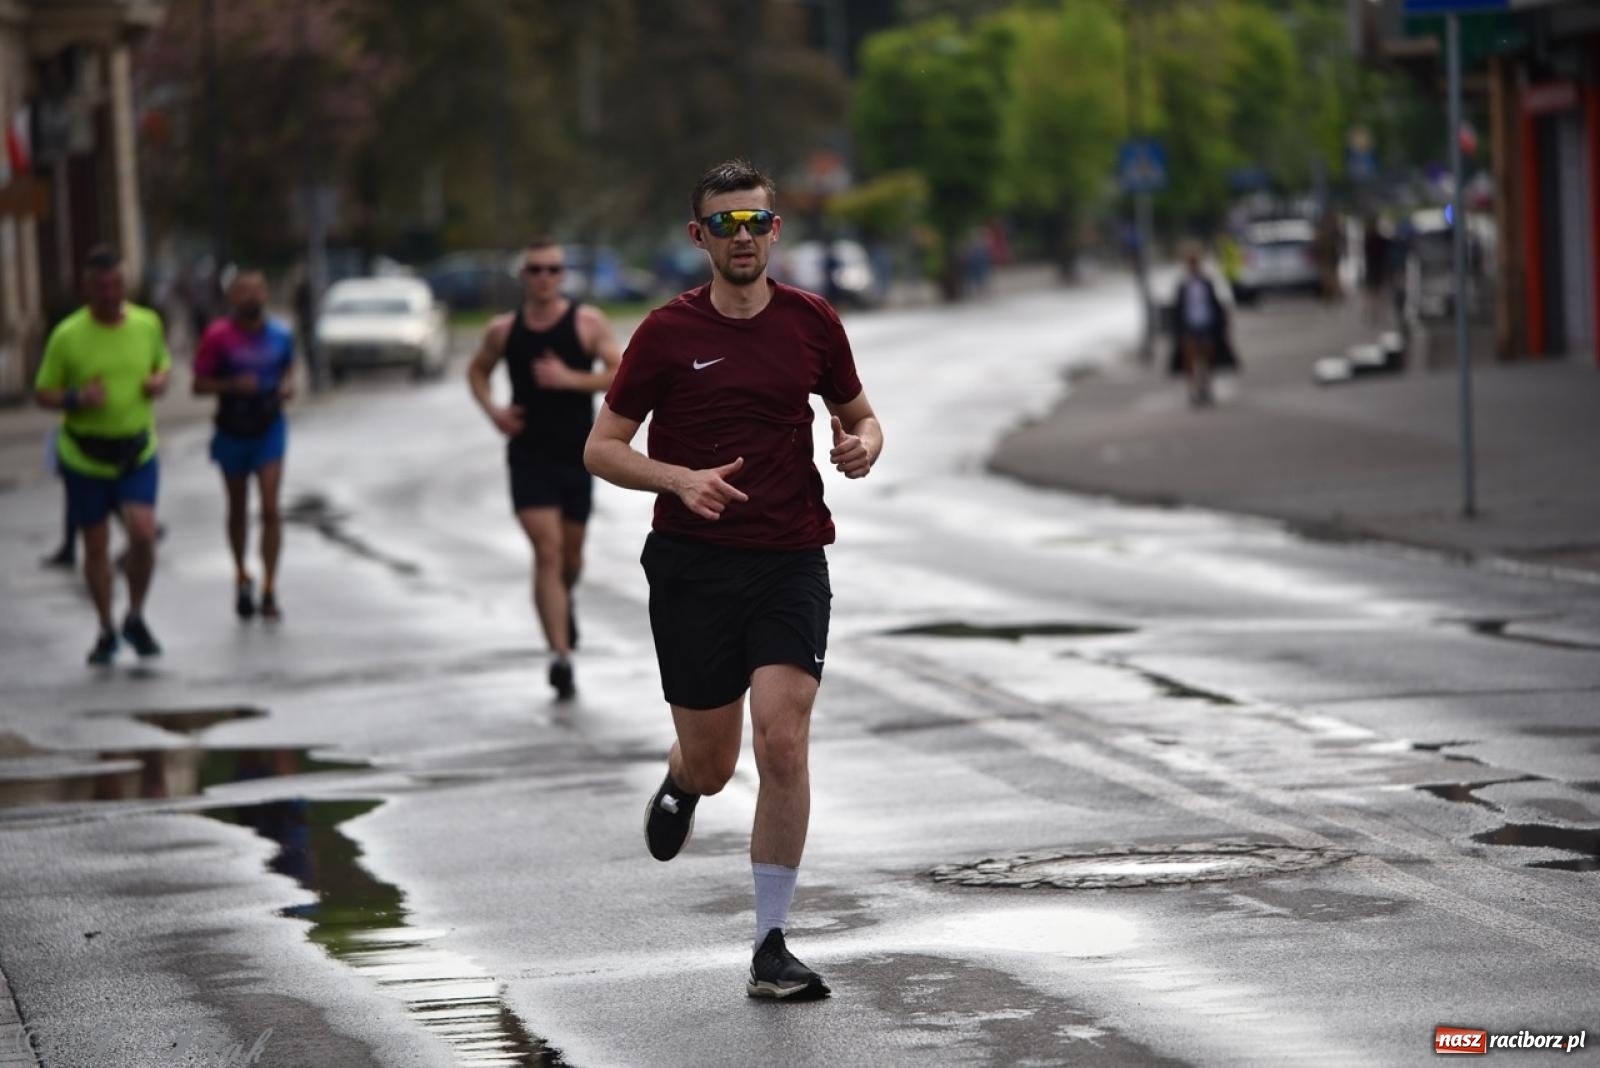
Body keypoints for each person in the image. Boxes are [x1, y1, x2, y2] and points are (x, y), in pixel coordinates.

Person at [584, 159, 883, 1001]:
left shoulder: (813, 322)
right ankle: (683, 780)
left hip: (790, 556)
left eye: (756, 222)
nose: (743, 237)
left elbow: (860, 416)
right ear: (699, 237)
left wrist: (864, 445)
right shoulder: (665, 334)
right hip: (694, 566)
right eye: (726, 225)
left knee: (782, 739)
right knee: (716, 762)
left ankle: (771, 943)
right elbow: (601, 448)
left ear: (775, 232)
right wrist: (678, 478)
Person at [468, 237, 623, 700]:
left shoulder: (587, 322)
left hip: (578, 453)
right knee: (548, 552)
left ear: (562, 274)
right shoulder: (503, 330)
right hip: (528, 455)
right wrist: (494, 410)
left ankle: (563, 603)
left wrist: (572, 379)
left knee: (571, 558)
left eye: (553, 270)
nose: (544, 278)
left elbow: (623, 371)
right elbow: (477, 371)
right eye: (535, 270)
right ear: (523, 276)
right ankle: (560, 655)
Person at [32, 245, 172, 665]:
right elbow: (42, 392)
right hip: (84, 456)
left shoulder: (147, 324)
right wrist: (76, 397)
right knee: (96, 546)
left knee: (144, 534)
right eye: (102, 287)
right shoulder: (67, 335)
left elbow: (161, 364)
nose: (111, 294)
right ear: (87, 289)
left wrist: (159, 382)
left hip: (136, 449)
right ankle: (105, 628)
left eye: (117, 285)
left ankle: (135, 615)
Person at [192, 270, 296, 621]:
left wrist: (286, 387)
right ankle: (241, 574)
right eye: (242, 293)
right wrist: (233, 385)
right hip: (233, 428)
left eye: (256, 291)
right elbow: (198, 385)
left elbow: (289, 370)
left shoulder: (281, 334)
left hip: (269, 426)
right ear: (231, 298)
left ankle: (270, 586)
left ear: (265, 294)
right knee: (237, 507)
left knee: (270, 507)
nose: (250, 299)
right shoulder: (218, 337)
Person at [1167, 244, 1238, 407]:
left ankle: (1206, 387)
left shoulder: (1206, 283)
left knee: (1207, 358)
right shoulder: (1183, 286)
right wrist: (1178, 330)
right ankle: (1193, 389)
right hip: (1190, 327)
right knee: (1190, 359)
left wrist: (1221, 324)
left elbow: (1216, 305)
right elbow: (1177, 309)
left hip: (1206, 325)